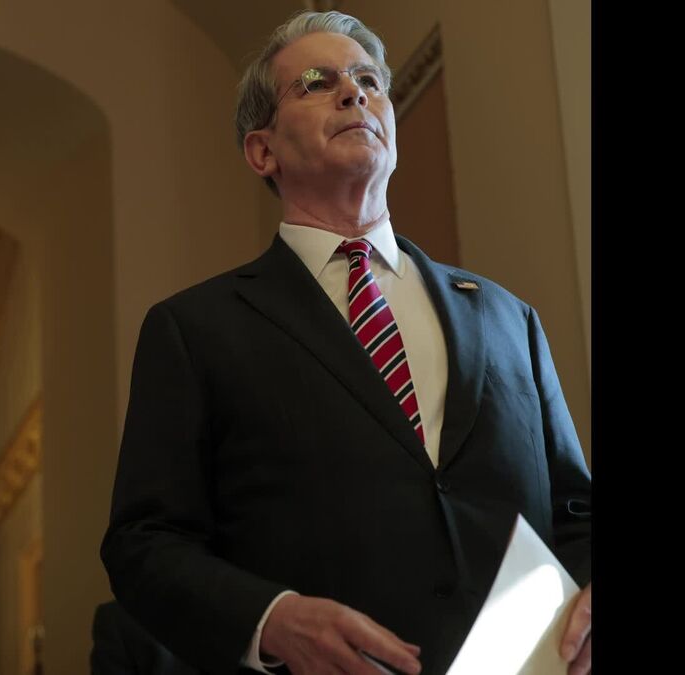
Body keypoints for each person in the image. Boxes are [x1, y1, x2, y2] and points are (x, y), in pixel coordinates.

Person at [100, 11, 591, 675]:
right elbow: (144, 543)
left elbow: (575, 512)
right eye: (315, 82)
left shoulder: (508, 317)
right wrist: (271, 619)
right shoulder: (195, 329)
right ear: (262, 151)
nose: (354, 93)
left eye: (369, 81)